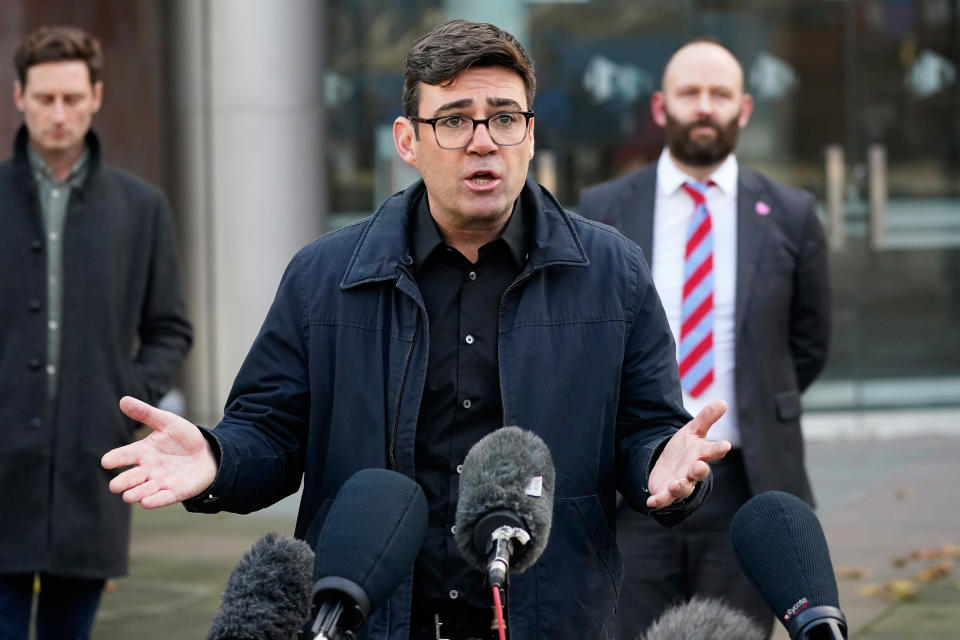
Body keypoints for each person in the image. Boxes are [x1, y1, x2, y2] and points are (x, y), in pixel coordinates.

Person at [101, 21, 730, 640]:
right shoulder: (325, 276)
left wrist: (660, 466)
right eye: (454, 119)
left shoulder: (610, 272)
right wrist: (216, 457)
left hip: (547, 617)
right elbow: (269, 431)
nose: (483, 141)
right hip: (370, 617)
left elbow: (645, 431)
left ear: (531, 135)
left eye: (504, 118)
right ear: (408, 139)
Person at [578, 38, 831, 638]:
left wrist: (757, 399)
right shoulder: (603, 208)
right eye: (690, 93)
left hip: (749, 482)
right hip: (634, 482)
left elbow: (808, 342)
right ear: (662, 108)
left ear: (743, 110)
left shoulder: (791, 214)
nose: (704, 107)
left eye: (719, 95)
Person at [0, 25, 192, 639]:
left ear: (97, 97)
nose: (59, 114)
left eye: (73, 99)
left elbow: (170, 328)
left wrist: (125, 401)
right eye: (46, 98)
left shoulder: (141, 209)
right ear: (19, 97)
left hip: (93, 468)